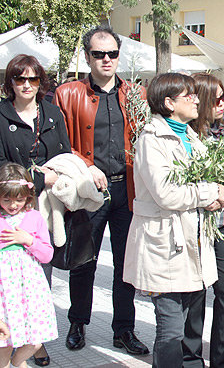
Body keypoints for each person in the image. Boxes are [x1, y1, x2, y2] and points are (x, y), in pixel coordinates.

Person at [122, 73, 224, 368]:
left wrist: (223, 190)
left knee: (185, 328)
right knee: (170, 330)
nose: (197, 100)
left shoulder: (192, 136)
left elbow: (203, 182)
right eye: (189, 96)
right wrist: (211, 191)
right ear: (169, 103)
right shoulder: (150, 139)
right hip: (165, 245)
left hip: (195, 243)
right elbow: (166, 194)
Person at [53, 25, 149, 355]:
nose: (106, 59)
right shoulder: (68, 94)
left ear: (119, 56)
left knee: (126, 263)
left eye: (112, 53)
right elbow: (61, 144)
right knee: (84, 261)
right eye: (98, 54)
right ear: (87, 56)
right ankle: (78, 323)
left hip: (127, 190)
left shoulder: (136, 94)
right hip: (88, 191)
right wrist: (85, 164)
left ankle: (123, 329)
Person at [0, 54, 72, 366]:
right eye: (20, 79)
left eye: (33, 79)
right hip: (13, 201)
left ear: (41, 81)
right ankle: (10, 340)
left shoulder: (53, 112)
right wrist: (39, 176)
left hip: (48, 205)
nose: (27, 85)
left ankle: (33, 337)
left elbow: (65, 153)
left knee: (40, 273)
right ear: (10, 83)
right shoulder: (1, 115)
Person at [189, 73, 224, 368]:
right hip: (194, 224)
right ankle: (190, 357)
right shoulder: (184, 133)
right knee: (195, 292)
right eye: (218, 98)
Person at [0, 163, 57, 368]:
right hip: (5, 292)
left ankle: (18, 362)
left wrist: (28, 240)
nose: (13, 205)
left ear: (28, 196)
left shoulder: (34, 218)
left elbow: (47, 255)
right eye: (6, 199)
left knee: (35, 340)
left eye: (19, 199)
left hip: (31, 291)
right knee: (4, 342)